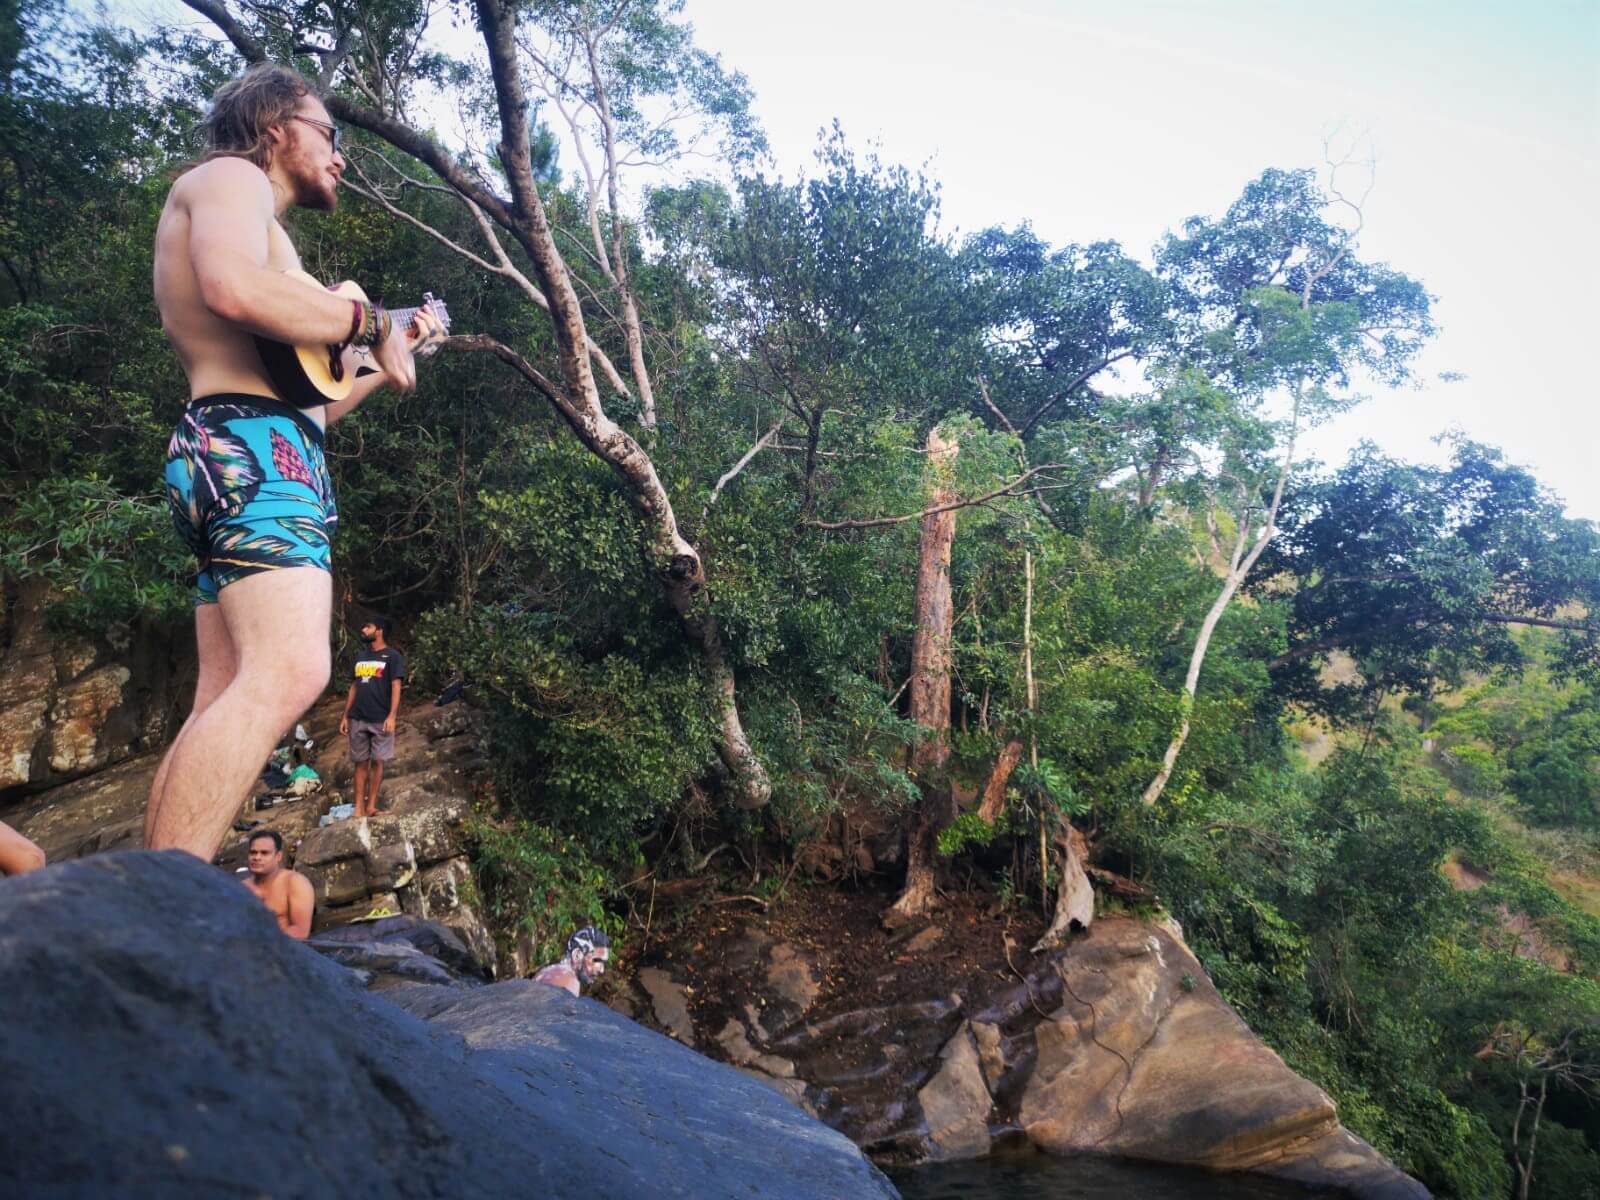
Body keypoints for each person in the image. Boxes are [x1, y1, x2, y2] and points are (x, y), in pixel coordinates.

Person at [143, 62, 442, 861]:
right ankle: (157, 915)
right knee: (291, 670)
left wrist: (385, 352)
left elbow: (316, 405)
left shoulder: (266, 234)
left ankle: (145, 898)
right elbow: (231, 288)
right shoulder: (231, 181)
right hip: (248, 449)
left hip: (256, 445)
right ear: (275, 126)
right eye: (329, 134)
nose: (340, 155)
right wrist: (368, 315)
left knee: (222, 694)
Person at [339, 617, 406, 817]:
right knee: (360, 763)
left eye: (367, 626)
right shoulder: (360, 657)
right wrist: (345, 716)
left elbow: (396, 685)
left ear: (379, 631)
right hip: (358, 717)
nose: (363, 629)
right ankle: (359, 809)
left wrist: (392, 716)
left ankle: (371, 806)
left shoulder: (392, 656)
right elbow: (354, 686)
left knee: (378, 761)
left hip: (380, 718)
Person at [241, 829, 315, 939]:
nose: (257, 857)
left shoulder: (295, 883)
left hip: (285, 951)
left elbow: (301, 931)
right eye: (253, 852)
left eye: (264, 853)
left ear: (278, 856)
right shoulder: (242, 887)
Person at [533, 927, 611, 997]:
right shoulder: (569, 981)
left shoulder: (549, 971)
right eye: (598, 960)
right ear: (577, 955)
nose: (602, 970)